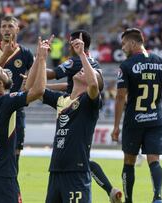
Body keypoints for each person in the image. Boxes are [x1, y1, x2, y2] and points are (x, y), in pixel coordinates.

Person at [111, 28, 162, 203]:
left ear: (132, 43)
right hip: (155, 119)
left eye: (123, 44)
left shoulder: (126, 65)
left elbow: (120, 97)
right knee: (154, 160)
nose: (122, 48)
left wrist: (116, 126)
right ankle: (158, 198)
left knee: (129, 161)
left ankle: (129, 200)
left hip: (134, 121)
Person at [46, 30, 122, 203]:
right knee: (82, 158)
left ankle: (110, 189)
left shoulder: (75, 61)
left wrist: (40, 76)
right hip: (80, 99)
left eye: (71, 42)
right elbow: (71, 84)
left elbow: (54, 73)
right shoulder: (93, 63)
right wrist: (49, 87)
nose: (70, 45)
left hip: (81, 102)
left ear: (78, 44)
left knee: (80, 159)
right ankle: (110, 189)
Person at [0, 36, 49, 203]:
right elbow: (38, 90)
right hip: (2, 176)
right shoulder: (5, 103)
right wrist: (42, 58)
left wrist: (3, 57)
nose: (5, 70)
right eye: (2, 71)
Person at [37, 33, 101, 203]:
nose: (81, 70)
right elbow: (38, 89)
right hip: (56, 169)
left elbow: (94, 85)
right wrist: (41, 58)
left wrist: (81, 54)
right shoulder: (62, 100)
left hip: (76, 171)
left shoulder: (88, 100)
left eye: (84, 71)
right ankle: (110, 190)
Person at [0, 15, 34, 174]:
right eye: (3, 26)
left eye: (10, 26)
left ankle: (12, 189)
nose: (6, 29)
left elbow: (32, 77)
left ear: (17, 29)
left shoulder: (25, 54)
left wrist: (27, 87)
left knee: (15, 154)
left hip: (15, 109)